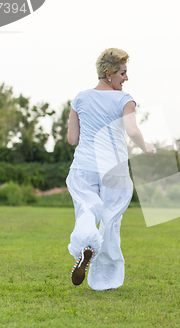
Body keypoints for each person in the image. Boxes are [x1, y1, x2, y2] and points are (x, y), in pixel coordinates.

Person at [66, 48, 154, 290]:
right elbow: (133, 130)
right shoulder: (125, 100)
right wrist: (146, 147)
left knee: (87, 209)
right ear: (109, 72)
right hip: (114, 170)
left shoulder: (80, 98)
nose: (126, 78)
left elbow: (72, 138)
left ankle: (86, 245)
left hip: (84, 166)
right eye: (123, 73)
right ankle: (106, 282)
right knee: (110, 221)